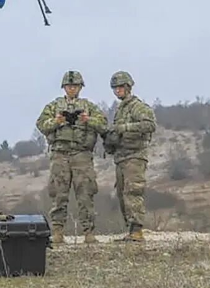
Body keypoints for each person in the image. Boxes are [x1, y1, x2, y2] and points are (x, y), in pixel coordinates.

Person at [36, 71, 108, 244]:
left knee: (85, 194)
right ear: (64, 87)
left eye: (75, 86)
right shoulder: (53, 106)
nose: (72, 89)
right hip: (60, 154)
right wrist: (57, 121)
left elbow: (103, 125)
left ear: (80, 87)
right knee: (58, 195)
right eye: (69, 86)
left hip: (82, 154)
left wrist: (88, 120)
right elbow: (41, 124)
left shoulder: (89, 106)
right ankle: (58, 231)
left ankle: (88, 232)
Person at [104, 71, 156, 242]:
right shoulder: (120, 110)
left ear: (128, 87)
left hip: (135, 156)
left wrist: (125, 128)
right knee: (122, 194)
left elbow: (149, 125)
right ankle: (131, 229)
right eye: (115, 88)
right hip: (121, 157)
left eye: (120, 87)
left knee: (132, 191)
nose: (117, 91)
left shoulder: (137, 107)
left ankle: (137, 231)